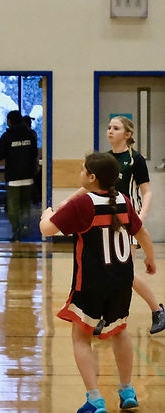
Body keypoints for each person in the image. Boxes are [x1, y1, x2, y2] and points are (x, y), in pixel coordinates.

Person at [40, 152, 155, 413]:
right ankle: (127, 391)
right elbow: (142, 233)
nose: (80, 173)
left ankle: (95, 399)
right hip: (121, 281)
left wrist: (46, 214)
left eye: (83, 170)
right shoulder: (124, 201)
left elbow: (47, 230)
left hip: (91, 283)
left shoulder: (83, 204)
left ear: (92, 177)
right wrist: (150, 259)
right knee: (119, 332)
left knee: (81, 337)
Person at [56, 115, 165, 334]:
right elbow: (88, 187)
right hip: (105, 221)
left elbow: (147, 192)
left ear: (128, 134)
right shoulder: (105, 159)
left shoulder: (136, 160)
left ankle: (157, 311)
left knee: (125, 271)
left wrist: (140, 216)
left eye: (115, 128)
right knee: (109, 269)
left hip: (126, 220)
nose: (110, 131)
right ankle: (104, 316)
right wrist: (67, 202)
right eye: (108, 128)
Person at [0, 111, 38, 241]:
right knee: (25, 204)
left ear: (9, 121)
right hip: (28, 175)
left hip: (13, 177)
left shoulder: (7, 136)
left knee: (13, 206)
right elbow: (34, 154)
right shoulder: (30, 135)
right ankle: (24, 228)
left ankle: (16, 230)